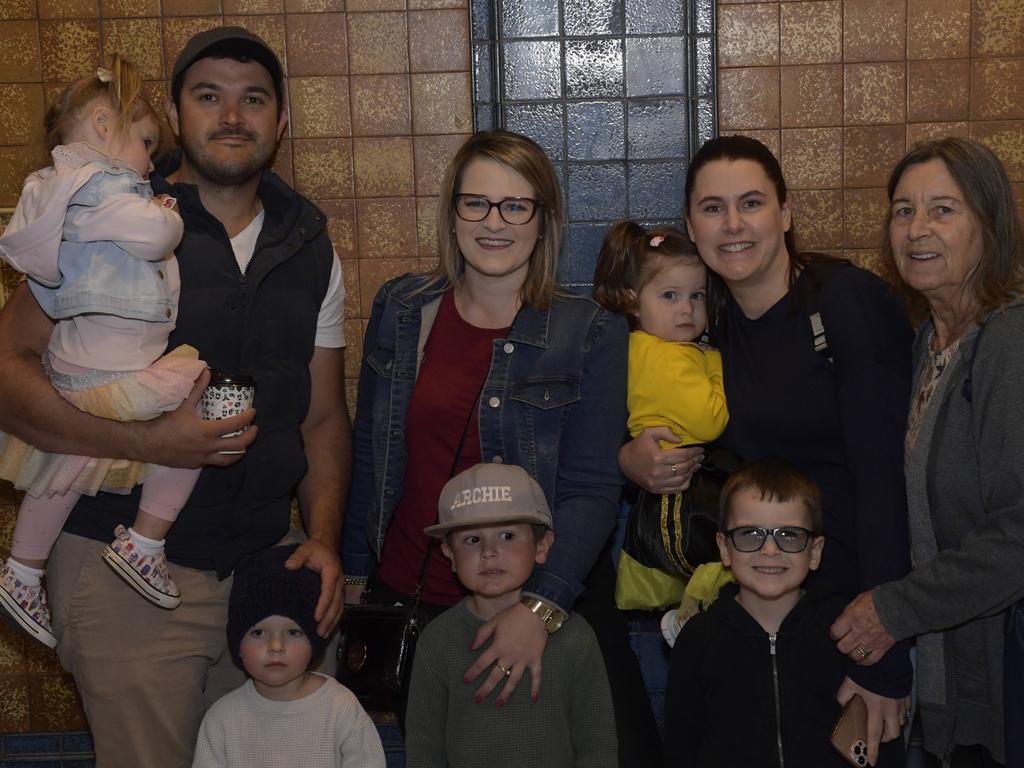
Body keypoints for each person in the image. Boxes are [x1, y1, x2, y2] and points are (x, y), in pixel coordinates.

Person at [0, 27, 350, 768]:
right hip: (115, 570)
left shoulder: (311, 246)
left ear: (281, 121)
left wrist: (321, 538)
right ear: (173, 110)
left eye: (253, 99)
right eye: (208, 96)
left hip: (264, 574)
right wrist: (144, 445)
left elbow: (322, 418)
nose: (231, 115)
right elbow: (8, 369)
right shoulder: (107, 216)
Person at [343, 129, 662, 765]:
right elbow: (371, 455)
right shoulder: (401, 309)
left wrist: (538, 610)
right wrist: (357, 579)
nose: (495, 223)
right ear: (451, 212)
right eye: (476, 203)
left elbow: (592, 490)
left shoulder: (591, 332)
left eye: (516, 206)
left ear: (544, 220)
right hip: (422, 610)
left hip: (549, 604)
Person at [618, 134, 913, 764]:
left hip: (855, 610)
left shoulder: (843, 302)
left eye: (751, 203)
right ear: (692, 226)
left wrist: (885, 641)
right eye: (712, 208)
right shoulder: (708, 317)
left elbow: (888, 480)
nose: (733, 225)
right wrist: (630, 458)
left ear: (786, 212)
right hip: (762, 606)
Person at [831, 137, 1024, 768]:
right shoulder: (928, 344)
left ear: (990, 225)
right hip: (953, 669)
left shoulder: (1008, 343)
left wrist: (896, 607)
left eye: (944, 209)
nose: (917, 228)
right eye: (903, 210)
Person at [0, 55, 206, 649]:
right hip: (108, 364)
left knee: (67, 462)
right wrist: (163, 214)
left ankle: (23, 565)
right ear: (100, 125)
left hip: (84, 359)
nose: (150, 161)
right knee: (196, 407)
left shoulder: (63, 190)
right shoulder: (103, 184)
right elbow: (156, 236)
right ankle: (144, 541)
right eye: (144, 142)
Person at [664, 458, 903, 768]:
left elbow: (880, 738)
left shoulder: (848, 631)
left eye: (789, 535)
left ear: (814, 552)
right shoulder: (698, 639)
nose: (770, 550)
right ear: (724, 548)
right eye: (750, 534)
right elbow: (680, 747)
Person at [404, 462, 616, 767]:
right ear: (449, 554)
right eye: (472, 539)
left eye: (507, 535)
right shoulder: (437, 640)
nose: (489, 551)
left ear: (542, 546)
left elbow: (598, 745)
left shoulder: (575, 637)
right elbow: (424, 747)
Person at [592, 221, 728, 615]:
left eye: (696, 296)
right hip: (682, 501)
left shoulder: (640, 345)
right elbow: (711, 422)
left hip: (662, 497)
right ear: (633, 301)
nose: (686, 308)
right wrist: (717, 363)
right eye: (670, 295)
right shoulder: (669, 356)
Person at [193, 544, 384, 768]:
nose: (276, 646)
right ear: (237, 643)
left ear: (316, 640)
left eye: (293, 632)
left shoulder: (340, 708)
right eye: (258, 632)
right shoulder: (222, 718)